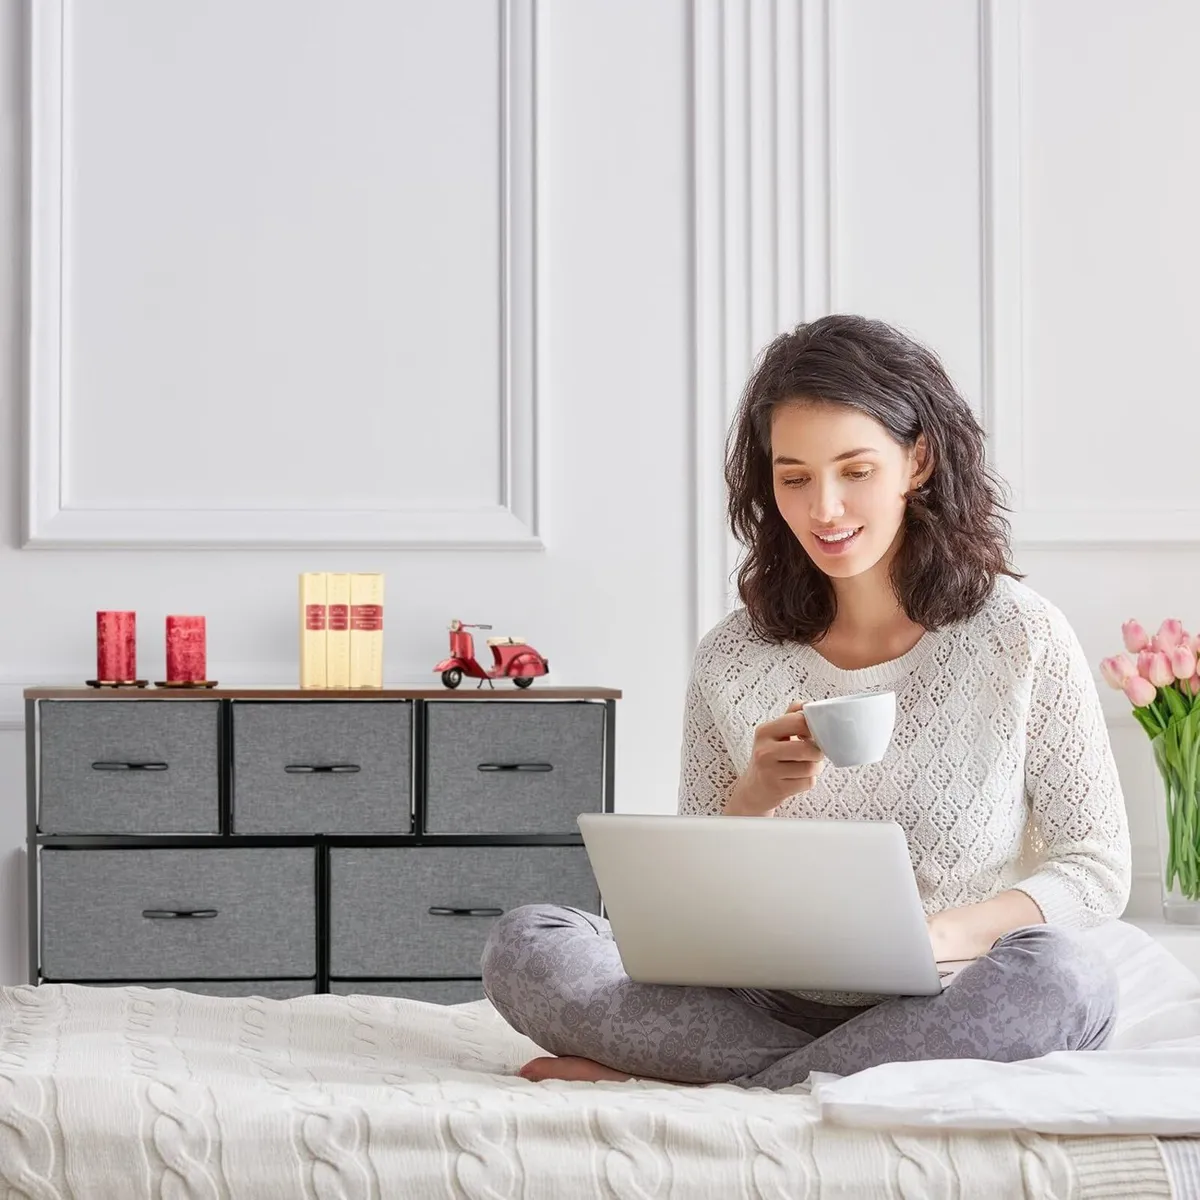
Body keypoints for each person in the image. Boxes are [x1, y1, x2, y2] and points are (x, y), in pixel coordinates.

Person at [481, 314, 1131, 1089]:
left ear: (918, 460)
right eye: (795, 479)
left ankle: (723, 1088)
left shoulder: (1020, 635)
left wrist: (941, 936)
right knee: (528, 944)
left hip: (947, 996)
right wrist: (750, 799)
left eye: (855, 471)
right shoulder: (733, 655)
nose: (824, 509)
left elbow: (1095, 867)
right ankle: (812, 1080)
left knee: (1067, 982)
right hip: (758, 1001)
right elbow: (689, 906)